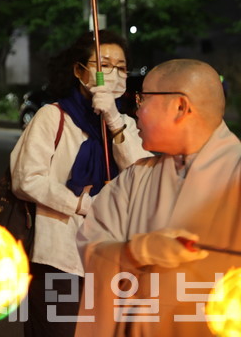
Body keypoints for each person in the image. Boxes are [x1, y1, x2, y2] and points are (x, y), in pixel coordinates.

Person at [76, 59, 241, 336]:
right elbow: (91, 246)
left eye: (143, 98)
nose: (136, 110)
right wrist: (132, 252)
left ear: (180, 107)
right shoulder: (135, 180)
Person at [9, 30, 151, 335]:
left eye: (121, 67)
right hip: (60, 257)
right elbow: (26, 180)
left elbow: (142, 175)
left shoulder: (124, 124)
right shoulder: (53, 117)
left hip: (111, 259)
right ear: (79, 70)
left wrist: (113, 119)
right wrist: (82, 204)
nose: (113, 73)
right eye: (103, 64)